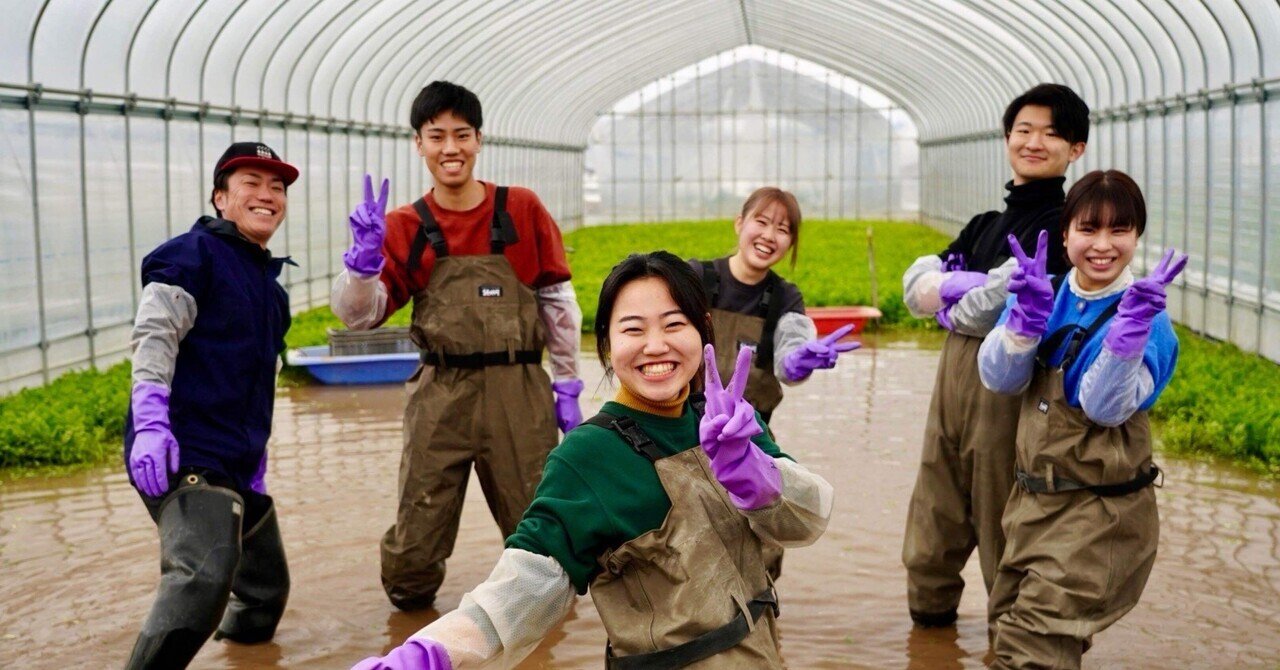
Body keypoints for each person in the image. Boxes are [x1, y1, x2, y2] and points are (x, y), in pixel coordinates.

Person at [351, 250, 834, 669]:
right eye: (633, 329)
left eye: (674, 324)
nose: (656, 346)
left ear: (702, 331)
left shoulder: (726, 418)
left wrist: (754, 472)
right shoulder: (587, 457)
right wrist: (429, 653)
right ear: (606, 344)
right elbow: (524, 588)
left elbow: (807, 522)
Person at [330, 81, 583, 611]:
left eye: (461, 135)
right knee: (414, 551)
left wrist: (567, 383)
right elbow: (361, 317)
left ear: (479, 140)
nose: (451, 148)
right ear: (418, 143)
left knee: (540, 531)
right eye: (437, 135)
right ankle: (414, 628)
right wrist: (361, 265)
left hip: (518, 390)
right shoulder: (404, 225)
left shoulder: (522, 209)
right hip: (440, 393)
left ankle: (538, 629)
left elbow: (557, 302)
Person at [899, 83, 1089, 628]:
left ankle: (1013, 643)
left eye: (1052, 133)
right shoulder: (986, 224)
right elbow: (914, 288)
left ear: (1075, 149)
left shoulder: (1062, 227)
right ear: (1007, 137)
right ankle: (930, 637)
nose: (1034, 142)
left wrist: (951, 297)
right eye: (1023, 130)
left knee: (1000, 522)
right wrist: (968, 286)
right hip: (950, 391)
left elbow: (988, 310)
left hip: (1007, 391)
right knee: (933, 516)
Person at [978, 170, 1182, 668]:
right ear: (1065, 232)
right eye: (1089, 229)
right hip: (1030, 504)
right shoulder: (1044, 291)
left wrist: (1127, 336)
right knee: (1005, 628)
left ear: (1137, 237)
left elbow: (1104, 408)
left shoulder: (1147, 318)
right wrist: (1022, 324)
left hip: (1098, 515)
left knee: (1033, 650)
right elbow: (999, 379)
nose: (1103, 245)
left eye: (1120, 230)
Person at [122, 142, 299, 669]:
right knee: (202, 578)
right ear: (221, 197)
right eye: (251, 182)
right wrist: (152, 421)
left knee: (265, 593)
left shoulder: (272, 290)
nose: (267, 195)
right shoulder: (191, 255)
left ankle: (244, 657)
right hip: (183, 453)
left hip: (236, 463)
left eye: (278, 187)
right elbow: (155, 334)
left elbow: (259, 376)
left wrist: (257, 462)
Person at [689, 187, 859, 425]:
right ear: (739, 223)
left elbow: (792, 343)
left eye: (782, 229)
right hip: (682, 428)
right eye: (762, 222)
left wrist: (795, 363)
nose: (769, 236)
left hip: (748, 437)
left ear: (790, 242)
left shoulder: (785, 297)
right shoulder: (695, 277)